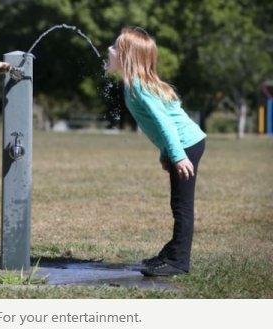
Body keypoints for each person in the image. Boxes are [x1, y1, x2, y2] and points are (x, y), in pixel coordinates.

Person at [105, 27, 206, 276]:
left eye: (116, 48)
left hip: (186, 146)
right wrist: (166, 153)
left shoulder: (138, 86)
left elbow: (165, 123)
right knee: (178, 204)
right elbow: (164, 121)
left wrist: (178, 155)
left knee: (182, 206)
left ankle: (178, 262)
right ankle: (170, 254)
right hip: (182, 145)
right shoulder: (134, 85)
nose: (109, 50)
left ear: (127, 57)